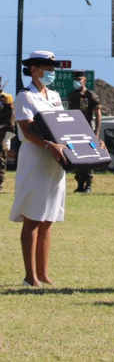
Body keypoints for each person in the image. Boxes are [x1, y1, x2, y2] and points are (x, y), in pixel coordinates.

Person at [10, 51, 68, 287]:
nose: (51, 73)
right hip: (35, 156)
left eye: (53, 69)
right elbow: (27, 130)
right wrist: (47, 145)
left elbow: (64, 126)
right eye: (48, 68)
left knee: (48, 219)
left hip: (55, 159)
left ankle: (43, 274)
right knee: (33, 217)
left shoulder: (54, 96)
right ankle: (30, 276)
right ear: (34, 70)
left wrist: (90, 143)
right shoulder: (25, 96)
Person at [66, 70, 102, 193]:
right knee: (77, 158)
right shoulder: (72, 95)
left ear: (84, 81)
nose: (76, 82)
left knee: (87, 158)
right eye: (75, 80)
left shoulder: (91, 96)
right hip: (74, 130)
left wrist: (96, 132)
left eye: (79, 80)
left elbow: (98, 115)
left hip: (86, 130)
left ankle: (88, 185)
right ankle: (80, 184)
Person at [0, 76, 14, 192]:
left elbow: (11, 118)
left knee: (1, 159)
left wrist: (8, 136)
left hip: (1, 132)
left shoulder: (6, 98)